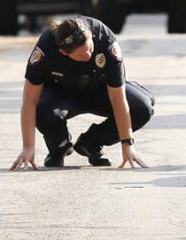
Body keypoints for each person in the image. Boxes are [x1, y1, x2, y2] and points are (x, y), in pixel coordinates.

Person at [10, 16, 154, 170]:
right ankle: (59, 146)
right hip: (62, 93)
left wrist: (127, 144)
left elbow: (117, 98)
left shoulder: (105, 39)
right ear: (63, 52)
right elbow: (29, 101)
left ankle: (91, 143)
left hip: (101, 90)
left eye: (90, 48)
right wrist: (28, 147)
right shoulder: (47, 46)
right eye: (80, 55)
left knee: (141, 108)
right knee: (40, 109)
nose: (88, 56)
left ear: (91, 36)